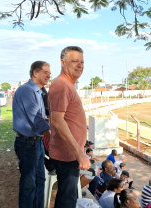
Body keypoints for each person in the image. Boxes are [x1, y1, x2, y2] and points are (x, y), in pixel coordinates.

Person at [48, 46, 90, 208]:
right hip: (67, 154)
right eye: (75, 61)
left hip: (69, 153)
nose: (79, 65)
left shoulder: (67, 84)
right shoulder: (62, 84)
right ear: (63, 62)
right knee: (67, 198)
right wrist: (79, 153)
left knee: (67, 195)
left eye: (82, 62)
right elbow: (57, 121)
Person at [12, 61, 51, 208]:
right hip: (27, 144)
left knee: (40, 181)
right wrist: (53, 140)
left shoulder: (38, 92)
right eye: (45, 72)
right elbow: (37, 119)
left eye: (49, 73)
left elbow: (41, 117)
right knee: (29, 185)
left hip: (37, 142)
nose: (48, 75)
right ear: (35, 73)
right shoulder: (26, 90)